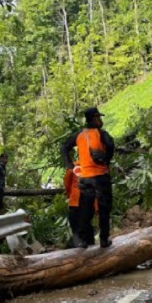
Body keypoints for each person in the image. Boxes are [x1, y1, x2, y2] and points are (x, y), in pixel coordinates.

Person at [61, 107, 115, 249]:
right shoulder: (100, 133)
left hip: (84, 178)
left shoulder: (79, 134)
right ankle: (104, 240)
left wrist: (70, 165)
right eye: (99, 118)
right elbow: (110, 145)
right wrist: (106, 160)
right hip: (100, 177)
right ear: (95, 118)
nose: (101, 120)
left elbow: (65, 147)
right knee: (104, 209)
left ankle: (84, 241)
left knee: (85, 210)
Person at [63, 163, 96, 247]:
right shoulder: (74, 166)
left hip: (83, 200)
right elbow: (67, 183)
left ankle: (86, 243)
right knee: (79, 222)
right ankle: (84, 243)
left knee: (83, 222)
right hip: (77, 200)